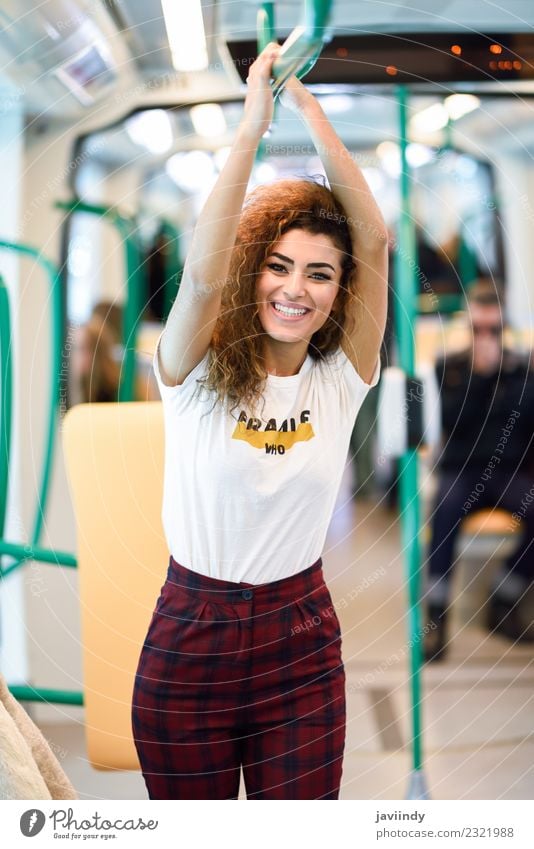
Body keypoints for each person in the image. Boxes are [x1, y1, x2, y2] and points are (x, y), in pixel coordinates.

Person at [131, 42, 388, 800]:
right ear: (254, 270)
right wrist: (253, 127)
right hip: (189, 634)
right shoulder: (195, 374)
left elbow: (373, 238)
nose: (294, 289)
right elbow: (205, 273)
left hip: (299, 637)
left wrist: (309, 110)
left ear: (340, 293)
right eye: (278, 265)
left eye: (318, 273)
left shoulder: (342, 380)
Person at [424, 280, 534, 663]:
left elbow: (525, 425)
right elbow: (452, 422)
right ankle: (435, 615)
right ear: (467, 328)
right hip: (461, 470)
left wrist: (511, 375)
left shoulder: (521, 368)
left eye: (494, 330)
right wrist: (481, 377)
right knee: (444, 511)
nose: (486, 338)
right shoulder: (449, 368)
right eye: (478, 330)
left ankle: (504, 596)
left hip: (509, 473)